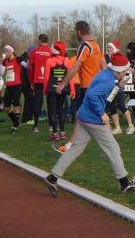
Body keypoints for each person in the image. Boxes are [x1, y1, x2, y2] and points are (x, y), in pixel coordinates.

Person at [44, 53, 135, 196]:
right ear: (119, 71)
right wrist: (101, 113)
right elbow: (92, 95)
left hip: (84, 116)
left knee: (75, 149)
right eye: (125, 71)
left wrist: (119, 86)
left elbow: (107, 98)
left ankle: (52, 178)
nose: (127, 72)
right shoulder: (108, 80)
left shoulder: (106, 74)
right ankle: (125, 184)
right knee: (113, 149)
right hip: (94, 119)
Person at [53, 21, 106, 153]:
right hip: (97, 86)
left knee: (87, 117)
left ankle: (71, 146)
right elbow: (104, 66)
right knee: (86, 116)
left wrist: (63, 83)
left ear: (78, 32)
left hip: (88, 87)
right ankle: (71, 145)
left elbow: (75, 67)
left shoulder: (84, 46)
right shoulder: (97, 46)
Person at [43, 41, 75, 141]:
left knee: (52, 110)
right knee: (60, 110)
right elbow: (71, 77)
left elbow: (46, 77)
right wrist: (72, 90)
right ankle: (62, 133)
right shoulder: (67, 61)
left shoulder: (49, 61)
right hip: (63, 89)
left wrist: (45, 89)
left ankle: (55, 134)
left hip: (52, 89)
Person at [105, 41, 135, 135]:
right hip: (110, 88)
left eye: (110, 47)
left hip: (117, 87)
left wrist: (123, 81)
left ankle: (131, 126)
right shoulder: (110, 58)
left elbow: (131, 71)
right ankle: (118, 128)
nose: (108, 49)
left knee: (122, 106)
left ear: (115, 48)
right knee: (111, 106)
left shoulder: (120, 58)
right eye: (108, 47)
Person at [29, 35, 53, 133]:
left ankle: (35, 126)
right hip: (49, 81)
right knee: (50, 102)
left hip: (38, 80)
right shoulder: (51, 52)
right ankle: (51, 126)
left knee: (38, 102)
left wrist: (31, 81)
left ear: (39, 41)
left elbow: (31, 68)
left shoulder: (34, 52)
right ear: (47, 41)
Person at [1, 45, 24, 134]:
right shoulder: (5, 61)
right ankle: (16, 122)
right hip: (8, 86)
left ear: (12, 51)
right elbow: (1, 72)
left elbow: (26, 65)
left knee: (16, 106)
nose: (5, 53)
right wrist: (1, 63)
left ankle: (14, 127)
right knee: (7, 107)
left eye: (7, 51)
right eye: (5, 51)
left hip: (17, 85)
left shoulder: (17, 59)